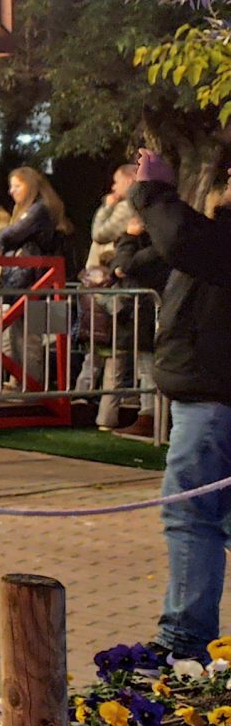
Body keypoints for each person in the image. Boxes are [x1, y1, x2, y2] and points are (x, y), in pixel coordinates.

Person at [128, 149, 231, 661]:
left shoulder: (212, 241)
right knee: (215, 518)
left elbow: (184, 241)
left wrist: (152, 194)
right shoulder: (214, 235)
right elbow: (153, 257)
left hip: (213, 399)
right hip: (207, 397)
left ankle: (185, 642)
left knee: (190, 515)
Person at [0, 166, 73, 391]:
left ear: (30, 185)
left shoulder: (39, 211)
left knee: (29, 338)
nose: (12, 191)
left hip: (33, 282)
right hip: (29, 282)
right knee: (21, 336)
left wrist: (1, 236)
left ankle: (32, 386)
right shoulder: (41, 210)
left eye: (17, 186)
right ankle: (23, 382)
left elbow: (10, 234)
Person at [102, 210, 168, 433]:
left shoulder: (159, 245)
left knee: (149, 367)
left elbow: (126, 266)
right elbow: (116, 268)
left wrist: (129, 239)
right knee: (141, 366)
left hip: (150, 313)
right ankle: (144, 414)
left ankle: (150, 416)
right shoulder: (140, 243)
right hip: (135, 314)